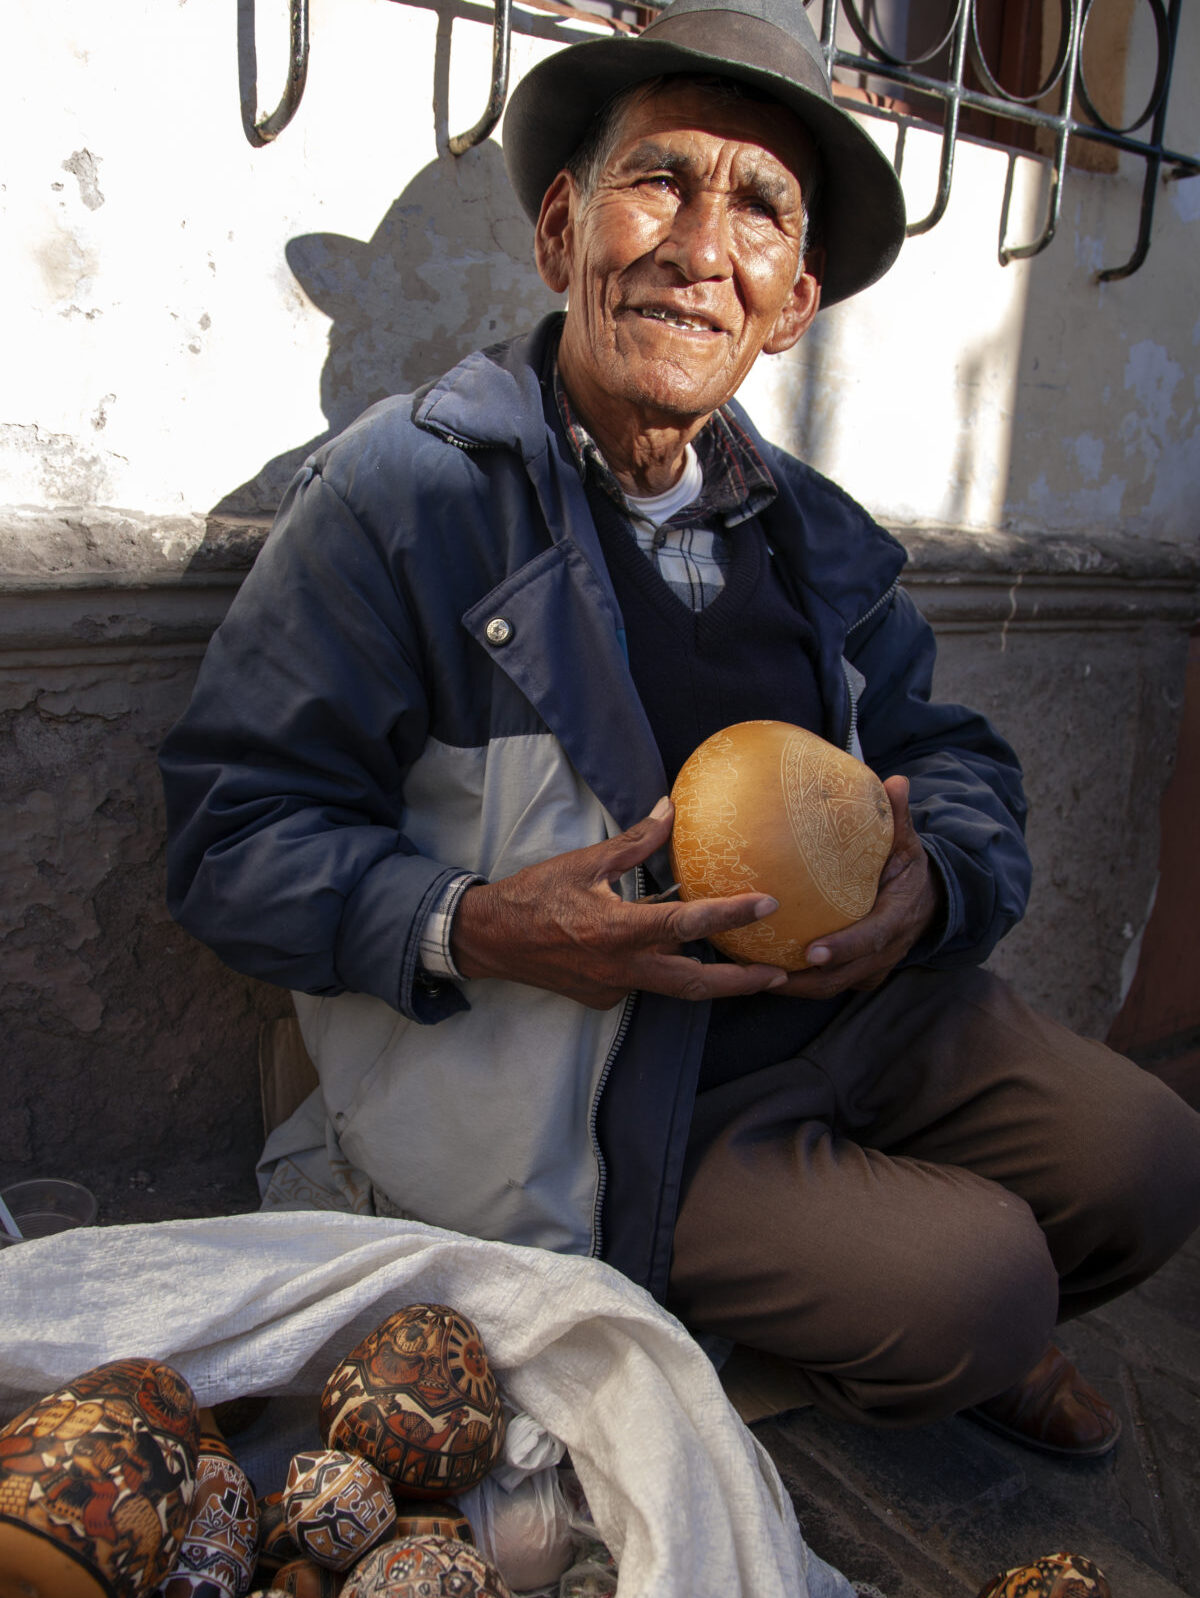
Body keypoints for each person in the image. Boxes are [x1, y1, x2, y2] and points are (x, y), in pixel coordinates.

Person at [161, 0, 1200, 1457]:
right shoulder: (407, 498)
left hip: (866, 1009)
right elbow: (232, 835)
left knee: (1149, 1157)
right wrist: (480, 922)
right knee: (980, 1285)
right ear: (562, 234)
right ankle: (934, 1337)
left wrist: (931, 884)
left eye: (760, 210)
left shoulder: (815, 536)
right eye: (661, 182)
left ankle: (918, 1325)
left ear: (792, 303)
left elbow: (958, 762)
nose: (699, 249)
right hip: (615, 1096)